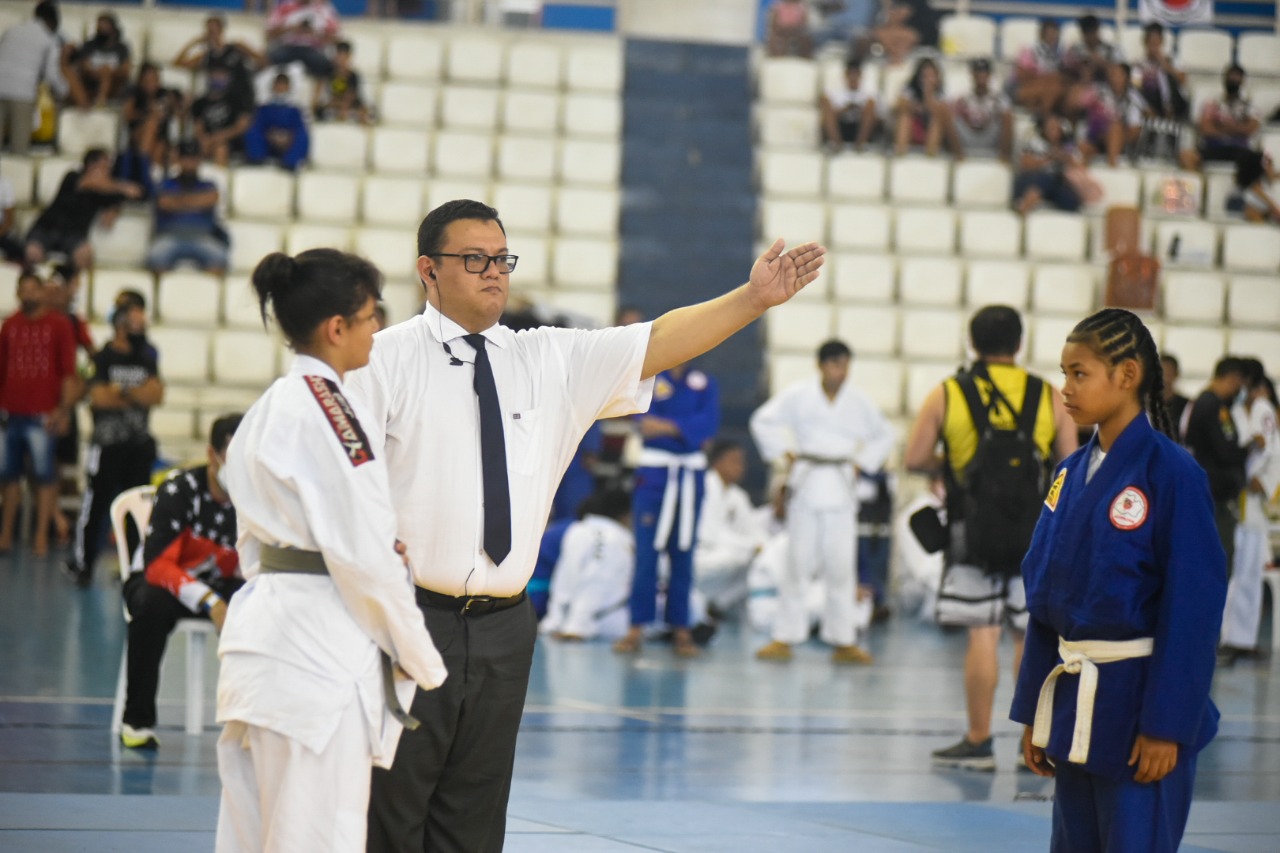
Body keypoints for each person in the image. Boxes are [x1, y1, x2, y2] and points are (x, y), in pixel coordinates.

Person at [346, 198, 824, 852]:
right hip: (407, 620)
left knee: (475, 818)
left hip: (504, 625)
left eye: (502, 259)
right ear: (428, 270)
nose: (494, 273)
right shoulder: (381, 359)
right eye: (475, 259)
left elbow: (657, 340)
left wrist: (751, 299)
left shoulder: (547, 359)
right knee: (392, 813)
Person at [214, 249, 447, 853]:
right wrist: (419, 656)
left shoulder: (268, 407)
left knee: (253, 836)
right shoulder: (334, 411)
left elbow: (251, 545)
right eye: (371, 316)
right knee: (317, 838)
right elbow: (368, 556)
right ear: (336, 328)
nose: (378, 328)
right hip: (316, 663)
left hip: (263, 642)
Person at [1012, 308, 1226, 853]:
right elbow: (1045, 595)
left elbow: (1193, 609)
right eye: (1063, 373)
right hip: (1077, 704)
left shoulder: (1173, 474)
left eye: (1079, 373)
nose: (1065, 389)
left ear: (1127, 375)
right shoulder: (1068, 473)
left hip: (1140, 712)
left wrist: (1168, 725)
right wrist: (1037, 715)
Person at [904, 305, 1075, 770]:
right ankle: (1032, 746)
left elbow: (914, 457)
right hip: (1032, 533)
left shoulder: (947, 393)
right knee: (1029, 635)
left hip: (969, 531)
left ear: (972, 343)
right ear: (1019, 344)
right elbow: (1069, 464)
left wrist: (951, 469)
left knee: (982, 632)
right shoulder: (1048, 395)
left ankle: (979, 741)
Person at [751, 339, 894, 664]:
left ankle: (843, 639)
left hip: (842, 487)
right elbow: (762, 421)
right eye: (833, 364)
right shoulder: (799, 394)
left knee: (841, 566)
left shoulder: (858, 402)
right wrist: (781, 453)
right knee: (797, 563)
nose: (839, 372)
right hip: (808, 482)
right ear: (820, 366)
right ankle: (785, 637)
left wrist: (864, 463)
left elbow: (885, 435)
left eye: (844, 365)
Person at [119, 413, 245, 750]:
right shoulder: (178, 490)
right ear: (212, 454)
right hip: (158, 580)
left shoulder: (252, 499)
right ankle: (137, 721)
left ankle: (253, 722)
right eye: (233, 455)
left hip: (216, 581)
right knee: (150, 606)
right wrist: (211, 602)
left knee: (264, 605)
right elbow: (158, 566)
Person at [613, 362, 720, 658]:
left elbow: (707, 427)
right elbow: (644, 425)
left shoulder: (703, 381)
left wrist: (668, 427)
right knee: (647, 554)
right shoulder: (650, 380)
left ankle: (681, 628)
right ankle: (637, 626)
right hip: (654, 477)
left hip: (690, 477)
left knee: (683, 552)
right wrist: (684, 430)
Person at [65, 293, 163, 587]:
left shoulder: (148, 356)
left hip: (138, 446)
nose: (139, 324)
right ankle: (83, 563)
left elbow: (156, 394)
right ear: (120, 322)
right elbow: (98, 398)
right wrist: (135, 394)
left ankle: (133, 567)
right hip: (106, 445)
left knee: (137, 508)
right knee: (95, 506)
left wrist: (120, 392)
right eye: (133, 318)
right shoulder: (103, 357)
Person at [0, 271, 77, 555]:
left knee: (45, 476)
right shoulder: (9, 326)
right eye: (25, 289)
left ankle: (41, 536)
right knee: (8, 476)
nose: (30, 294)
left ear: (43, 292)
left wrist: (62, 410)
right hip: (10, 412)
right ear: (18, 293)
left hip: (43, 413)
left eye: (35, 289)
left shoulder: (59, 325)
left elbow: (68, 372)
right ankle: (6, 534)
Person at [1221, 361, 1279, 663]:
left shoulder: (1263, 409)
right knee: (1239, 568)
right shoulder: (1238, 411)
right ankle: (1231, 636)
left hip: (1252, 501)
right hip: (1241, 496)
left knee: (1247, 569)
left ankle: (1239, 637)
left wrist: (1260, 481)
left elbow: (1271, 452)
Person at [1183, 357, 1254, 580]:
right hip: (1215, 493)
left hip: (1208, 489)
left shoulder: (1204, 402)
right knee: (1217, 556)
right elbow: (1226, 450)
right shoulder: (1212, 405)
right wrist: (1249, 447)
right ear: (1233, 378)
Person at [24, 149, 142, 274]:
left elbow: (134, 194)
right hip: (47, 228)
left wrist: (114, 207)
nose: (107, 171)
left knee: (85, 255)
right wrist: (122, 187)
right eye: (103, 166)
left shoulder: (104, 193)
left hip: (74, 235)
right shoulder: (73, 177)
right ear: (90, 165)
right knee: (33, 252)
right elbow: (90, 183)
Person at [541, 487, 634, 641]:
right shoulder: (616, 538)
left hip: (563, 622)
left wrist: (555, 620)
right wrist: (576, 627)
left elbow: (562, 581)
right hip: (601, 625)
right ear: (625, 514)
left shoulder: (577, 529)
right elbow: (597, 580)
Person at [695, 438, 767, 617]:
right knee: (740, 555)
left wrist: (763, 547)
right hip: (700, 553)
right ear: (717, 462)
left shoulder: (737, 496)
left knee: (761, 561)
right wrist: (751, 547)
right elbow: (711, 535)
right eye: (734, 461)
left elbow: (754, 531)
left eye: (742, 461)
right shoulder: (705, 487)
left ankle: (717, 606)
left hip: (722, 554)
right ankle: (702, 603)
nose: (741, 466)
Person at [146, 140, 229, 275]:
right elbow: (164, 203)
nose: (189, 163)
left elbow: (211, 198)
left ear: (199, 160)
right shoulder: (166, 183)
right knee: (156, 257)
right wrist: (196, 201)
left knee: (219, 258)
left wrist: (177, 202)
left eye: (193, 158)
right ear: (178, 160)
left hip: (203, 237)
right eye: (185, 158)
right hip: (169, 237)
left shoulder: (209, 184)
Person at [0, 1, 68, 155]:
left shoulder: (12, 30)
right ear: (53, 21)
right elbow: (52, 75)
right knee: (19, 149)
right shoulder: (48, 39)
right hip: (22, 93)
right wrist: (65, 91)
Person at [174, 14, 263, 109]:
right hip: (218, 103)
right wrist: (193, 43)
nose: (211, 34)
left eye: (213, 30)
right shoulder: (206, 56)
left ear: (221, 30)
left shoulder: (236, 48)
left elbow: (261, 60)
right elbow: (178, 63)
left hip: (239, 100)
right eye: (209, 31)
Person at [1013, 115, 1087, 215]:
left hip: (1057, 182)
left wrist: (1065, 158)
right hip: (1030, 180)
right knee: (1045, 179)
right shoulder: (1034, 142)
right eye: (1050, 127)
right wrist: (1048, 158)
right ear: (1043, 129)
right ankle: (1023, 210)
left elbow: (1080, 165)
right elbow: (1024, 164)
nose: (1054, 130)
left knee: (1073, 202)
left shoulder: (1067, 146)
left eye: (1057, 127)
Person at [1081, 62, 1149, 167]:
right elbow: (1087, 110)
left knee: (1115, 129)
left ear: (1126, 78)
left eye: (1119, 75)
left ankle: (1112, 167)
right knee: (1083, 148)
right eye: (1112, 74)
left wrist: (1116, 131)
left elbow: (1134, 129)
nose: (1114, 78)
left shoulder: (1133, 98)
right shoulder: (1100, 92)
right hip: (1097, 136)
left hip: (1120, 139)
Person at [949, 58, 1013, 161]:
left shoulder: (999, 99)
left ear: (989, 75)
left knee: (1007, 115)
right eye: (978, 72)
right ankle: (958, 157)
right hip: (967, 137)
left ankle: (1004, 159)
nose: (981, 76)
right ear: (972, 74)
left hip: (989, 137)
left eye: (984, 72)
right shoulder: (962, 98)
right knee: (948, 115)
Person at [122, 62, 184, 167]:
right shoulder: (134, 93)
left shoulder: (165, 94)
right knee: (151, 123)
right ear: (141, 80)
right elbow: (128, 115)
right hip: (139, 134)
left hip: (161, 137)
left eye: (155, 79)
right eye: (148, 80)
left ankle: (153, 174)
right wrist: (148, 114)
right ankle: (142, 166)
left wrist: (177, 106)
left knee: (161, 147)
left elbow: (178, 114)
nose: (152, 83)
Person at [66, 12, 132, 109]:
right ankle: (96, 102)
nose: (101, 27)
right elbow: (84, 65)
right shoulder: (89, 45)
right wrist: (98, 72)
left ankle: (101, 101)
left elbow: (126, 68)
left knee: (106, 72)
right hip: (91, 79)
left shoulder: (121, 48)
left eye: (105, 24)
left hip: (114, 82)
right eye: (100, 24)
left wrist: (110, 72)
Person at [245, 73, 310, 171]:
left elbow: (298, 127)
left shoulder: (295, 110)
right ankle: (256, 158)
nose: (280, 87)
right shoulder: (264, 108)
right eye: (278, 84)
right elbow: (260, 125)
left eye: (283, 85)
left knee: (302, 134)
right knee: (252, 129)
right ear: (273, 86)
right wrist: (271, 136)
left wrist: (287, 138)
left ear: (288, 87)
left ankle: (290, 162)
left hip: (288, 144)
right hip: (268, 143)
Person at [894, 57, 954, 158]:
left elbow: (940, 112)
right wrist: (914, 107)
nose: (928, 79)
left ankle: (930, 156)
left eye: (931, 76)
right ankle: (900, 155)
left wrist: (928, 95)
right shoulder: (910, 90)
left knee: (937, 122)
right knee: (905, 118)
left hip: (931, 129)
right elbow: (899, 105)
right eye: (925, 76)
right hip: (913, 127)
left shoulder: (941, 94)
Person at [266, 0, 341, 78]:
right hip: (287, 47)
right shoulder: (283, 7)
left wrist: (315, 33)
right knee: (267, 60)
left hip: (312, 49)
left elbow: (336, 38)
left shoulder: (323, 10)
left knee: (328, 66)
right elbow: (269, 34)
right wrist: (290, 29)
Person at [820, 59, 880, 152]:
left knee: (870, 107)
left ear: (860, 75)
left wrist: (859, 110)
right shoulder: (834, 94)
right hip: (841, 127)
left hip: (860, 127)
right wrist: (844, 110)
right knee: (826, 107)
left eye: (856, 74)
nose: (853, 78)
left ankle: (860, 144)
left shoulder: (870, 94)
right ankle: (836, 144)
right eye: (850, 74)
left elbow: (878, 117)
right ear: (845, 75)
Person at [1135, 22, 1188, 128]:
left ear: (1162, 42)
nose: (1154, 46)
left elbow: (1183, 80)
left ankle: (1169, 111)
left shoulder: (1172, 60)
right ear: (1145, 42)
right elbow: (1136, 88)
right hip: (1151, 103)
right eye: (1151, 42)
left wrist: (1165, 65)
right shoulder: (1140, 64)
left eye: (1157, 42)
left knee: (1167, 77)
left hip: (1174, 103)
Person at [1010, 19, 1065, 115]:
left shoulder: (1060, 55)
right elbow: (1020, 75)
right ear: (1042, 34)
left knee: (1056, 87)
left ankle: (1045, 115)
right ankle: (1045, 116)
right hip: (1026, 88)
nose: (1052, 36)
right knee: (1052, 87)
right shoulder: (1030, 51)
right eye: (1049, 33)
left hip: (1050, 90)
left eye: (1054, 33)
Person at [314, 41, 371, 124]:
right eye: (339, 56)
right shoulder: (330, 73)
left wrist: (344, 107)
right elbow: (325, 90)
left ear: (348, 57)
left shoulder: (353, 75)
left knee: (363, 110)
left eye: (343, 57)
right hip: (335, 102)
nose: (340, 60)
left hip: (351, 103)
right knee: (319, 109)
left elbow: (351, 95)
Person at [1063, 14, 1121, 87]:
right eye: (1086, 32)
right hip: (1079, 88)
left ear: (1097, 30)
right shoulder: (1075, 50)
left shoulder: (1110, 50)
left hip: (1104, 89)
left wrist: (1101, 63)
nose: (1089, 36)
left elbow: (1118, 73)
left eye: (1092, 32)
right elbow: (1064, 70)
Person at [1225, 149, 1280, 225]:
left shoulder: (1265, 179)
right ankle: (1261, 230)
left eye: (1270, 164)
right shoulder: (1254, 183)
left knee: (1268, 213)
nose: (1270, 167)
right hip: (1239, 203)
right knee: (1253, 212)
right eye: (1268, 165)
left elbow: (1274, 175)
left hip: (1256, 205)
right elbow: (1266, 200)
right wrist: (1276, 209)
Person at [1160, 353, 1191, 442]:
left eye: (1168, 372)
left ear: (1176, 374)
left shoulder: (1187, 405)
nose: (1165, 378)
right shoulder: (1143, 404)